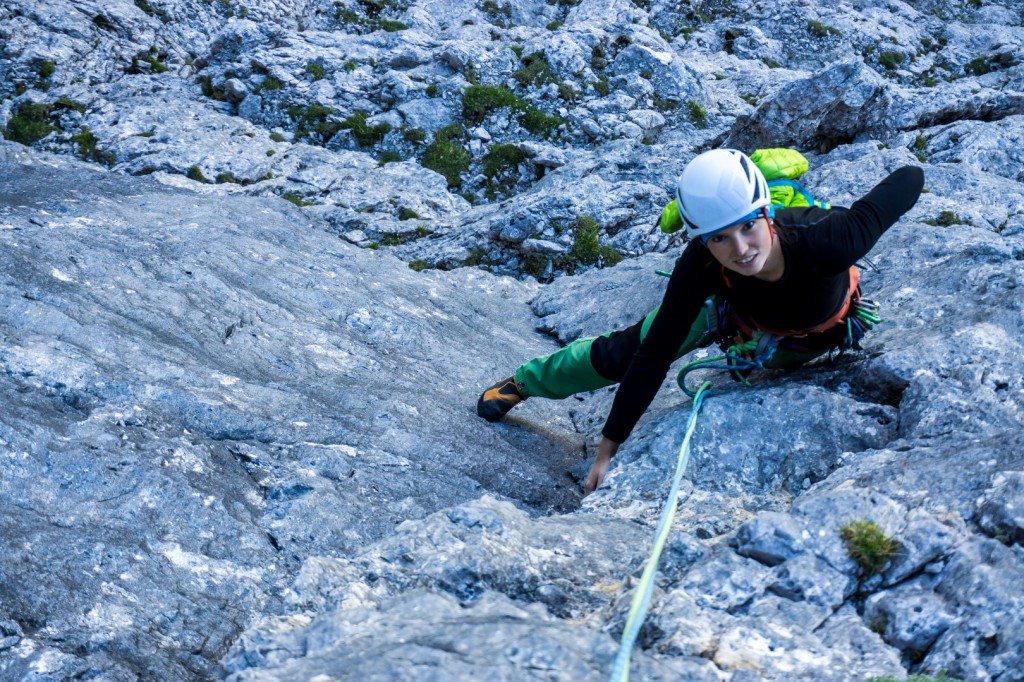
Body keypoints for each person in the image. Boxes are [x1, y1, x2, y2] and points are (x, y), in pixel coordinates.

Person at [477, 148, 924, 496]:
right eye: (719, 238)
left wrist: (867, 213)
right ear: (703, 241)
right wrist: (607, 450)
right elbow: (653, 356)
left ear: (767, 212)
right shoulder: (703, 264)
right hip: (735, 315)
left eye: (748, 226)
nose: (741, 249)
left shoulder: (827, 239)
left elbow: (909, 177)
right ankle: (524, 382)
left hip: (811, 338)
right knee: (626, 351)